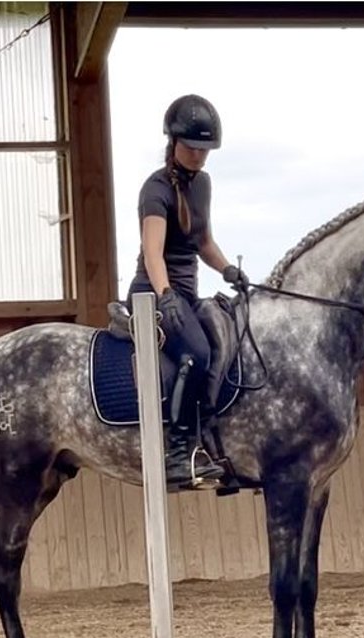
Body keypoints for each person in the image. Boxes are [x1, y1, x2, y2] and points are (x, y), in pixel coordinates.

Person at [126, 94, 249, 487]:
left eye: (205, 150)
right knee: (195, 354)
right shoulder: (155, 189)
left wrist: (228, 268)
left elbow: (204, 242)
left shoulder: (203, 185)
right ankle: (177, 454)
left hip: (187, 294)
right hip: (153, 292)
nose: (199, 156)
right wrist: (165, 297)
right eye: (193, 148)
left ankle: (212, 446)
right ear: (174, 142)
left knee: (225, 342)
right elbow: (153, 254)